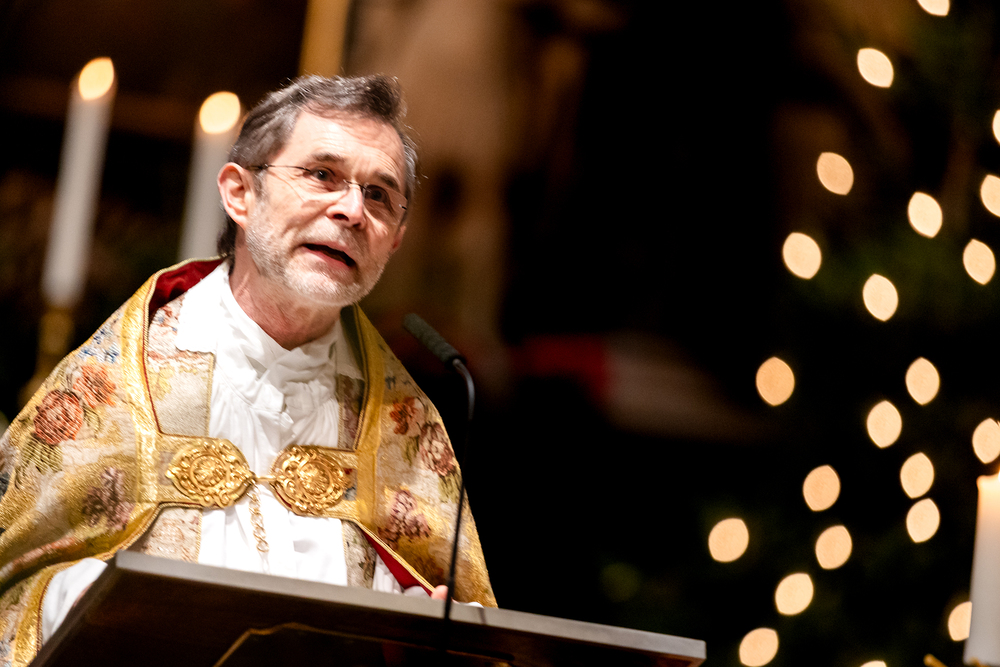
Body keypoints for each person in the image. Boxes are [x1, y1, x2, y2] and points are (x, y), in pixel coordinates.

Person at [0, 74, 495, 663]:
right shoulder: (115, 384)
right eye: (322, 175)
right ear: (240, 193)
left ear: (394, 241)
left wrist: (420, 629)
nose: (352, 210)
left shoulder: (404, 427)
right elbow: (15, 590)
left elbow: (443, 615)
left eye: (380, 195)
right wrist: (89, 600)